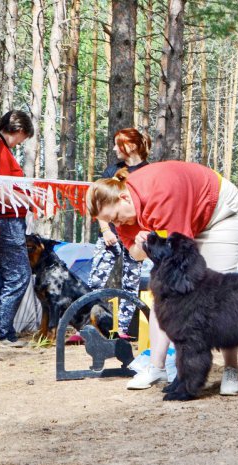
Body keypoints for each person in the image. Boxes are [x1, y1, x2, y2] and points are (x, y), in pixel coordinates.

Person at [86, 161, 238, 394]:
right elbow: (135, 254)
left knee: (217, 294)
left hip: (220, 213)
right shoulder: (124, 214)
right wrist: (142, 242)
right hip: (185, 219)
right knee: (164, 292)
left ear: (123, 198)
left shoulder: (162, 195)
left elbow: (181, 253)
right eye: (111, 222)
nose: (116, 225)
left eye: (116, 218)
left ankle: (231, 368)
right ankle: (157, 366)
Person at [87, 128, 152, 339]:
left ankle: (122, 329)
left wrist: (142, 236)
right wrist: (106, 230)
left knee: (130, 284)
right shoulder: (111, 171)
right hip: (109, 237)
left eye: (118, 144)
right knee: (95, 280)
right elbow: (99, 203)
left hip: (135, 238)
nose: (114, 148)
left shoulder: (148, 172)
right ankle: (90, 325)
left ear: (131, 146)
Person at [0, 111, 34, 348]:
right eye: (23, 137)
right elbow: (0, 191)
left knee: (10, 275)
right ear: (18, 130)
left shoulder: (2, 150)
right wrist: (30, 200)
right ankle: (3, 331)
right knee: (19, 275)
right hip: (7, 221)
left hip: (10, 220)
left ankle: (1, 327)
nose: (22, 141)